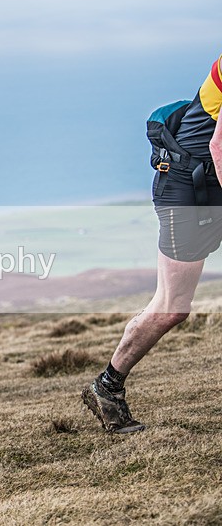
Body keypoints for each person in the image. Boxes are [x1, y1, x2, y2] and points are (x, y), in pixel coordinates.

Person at [82, 54, 222, 433]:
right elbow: (219, 147)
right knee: (172, 307)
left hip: (209, 182)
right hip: (187, 185)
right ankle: (106, 387)